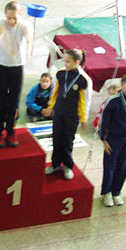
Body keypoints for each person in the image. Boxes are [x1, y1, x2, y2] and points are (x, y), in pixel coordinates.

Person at [42, 49, 89, 180]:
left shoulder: (83, 80)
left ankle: (68, 165)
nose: (65, 64)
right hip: (59, 112)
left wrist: (84, 118)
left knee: (67, 141)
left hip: (72, 115)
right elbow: (56, 92)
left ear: (77, 62)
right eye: (65, 61)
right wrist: (51, 107)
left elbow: (85, 101)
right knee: (56, 138)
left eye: (68, 61)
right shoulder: (61, 74)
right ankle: (56, 163)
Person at [98, 74, 126, 207]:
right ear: (122, 85)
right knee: (110, 166)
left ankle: (116, 192)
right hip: (113, 138)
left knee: (123, 167)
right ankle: (106, 192)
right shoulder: (113, 101)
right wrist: (103, 139)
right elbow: (104, 121)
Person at [0, 1, 33, 148]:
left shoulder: (25, 25)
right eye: (9, 18)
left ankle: (10, 130)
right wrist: (5, 33)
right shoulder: (1, 23)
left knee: (14, 101)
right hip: (1, 66)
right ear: (5, 16)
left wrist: (27, 47)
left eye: (15, 18)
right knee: (0, 101)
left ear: (20, 15)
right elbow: (1, 32)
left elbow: (29, 39)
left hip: (17, 67)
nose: (12, 21)